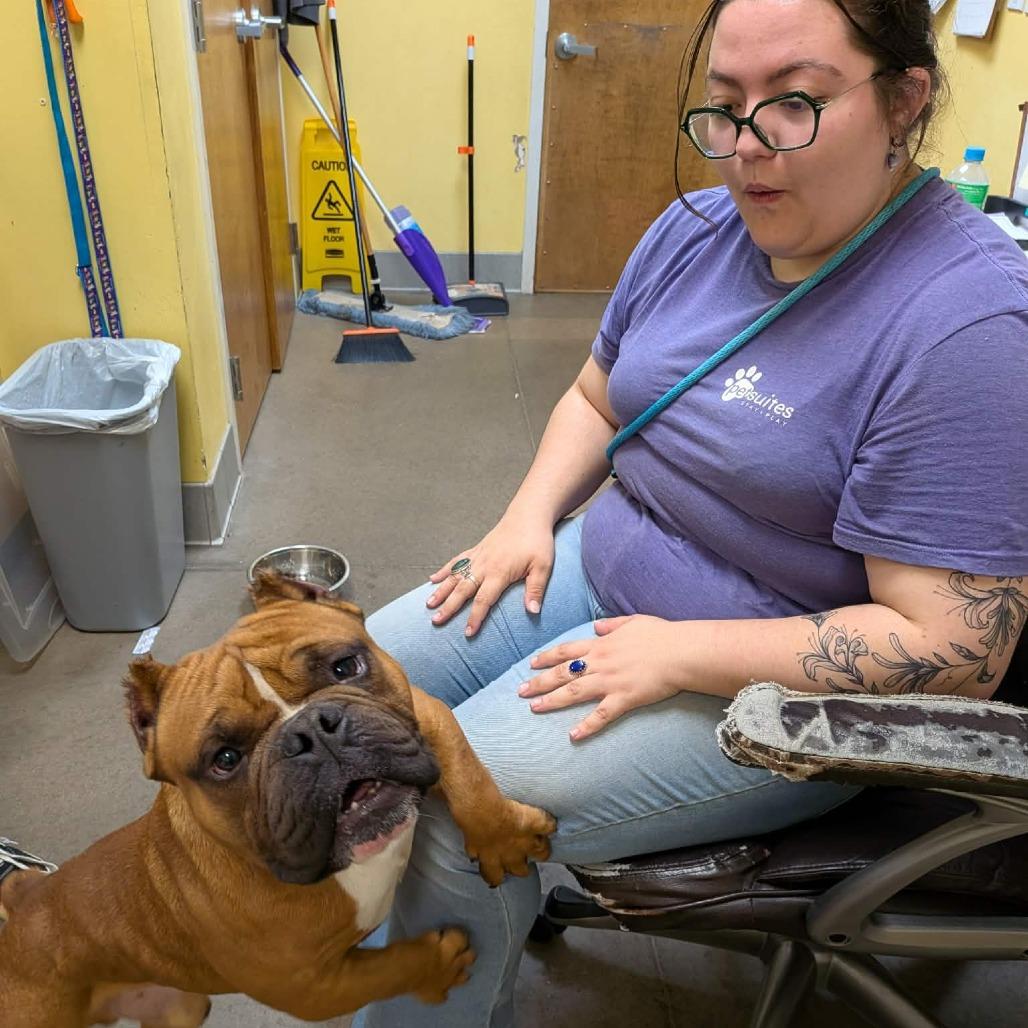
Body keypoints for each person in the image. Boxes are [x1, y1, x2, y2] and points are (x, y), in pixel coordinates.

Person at [355, 0, 1028, 1024]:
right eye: (724, 106)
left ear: (902, 100)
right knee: (354, 685)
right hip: (605, 563)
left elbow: (950, 651)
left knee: (457, 800)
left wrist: (676, 652)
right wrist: (525, 518)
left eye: (793, 103)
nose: (747, 148)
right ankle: (421, 923)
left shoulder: (965, 326)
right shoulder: (694, 230)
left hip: (770, 682)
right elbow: (594, 394)